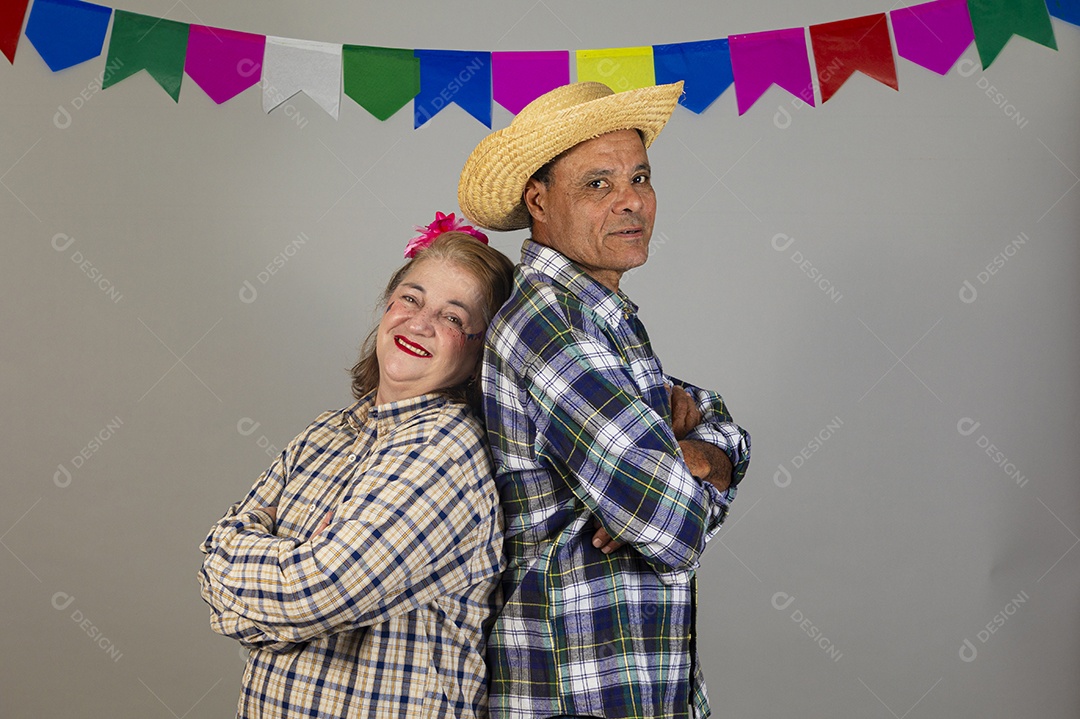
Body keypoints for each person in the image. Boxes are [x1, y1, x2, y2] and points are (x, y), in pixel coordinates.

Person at [457, 81, 751, 719]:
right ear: (539, 200)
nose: (631, 203)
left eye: (640, 178)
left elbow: (716, 420)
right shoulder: (550, 325)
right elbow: (671, 528)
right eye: (598, 184)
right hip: (578, 692)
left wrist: (698, 457)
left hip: (640, 685)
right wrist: (695, 461)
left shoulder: (602, 318)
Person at [198, 217, 515, 719]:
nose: (420, 322)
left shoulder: (447, 450)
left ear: (482, 351)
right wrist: (291, 585)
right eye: (411, 298)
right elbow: (215, 554)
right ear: (387, 305)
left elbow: (319, 590)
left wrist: (274, 585)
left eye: (454, 318)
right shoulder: (326, 433)